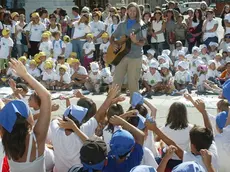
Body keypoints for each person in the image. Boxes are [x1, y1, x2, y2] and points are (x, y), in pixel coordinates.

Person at [0, 58, 51, 172]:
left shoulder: (5, 137)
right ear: (28, 120)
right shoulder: (37, 139)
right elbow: (46, 96)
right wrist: (25, 74)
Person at [111, 2, 145, 99]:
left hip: (135, 57)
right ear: (127, 11)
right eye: (130, 10)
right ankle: (113, 103)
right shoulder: (122, 25)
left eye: (134, 11)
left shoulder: (141, 25)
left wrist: (136, 41)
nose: (132, 12)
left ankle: (135, 106)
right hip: (121, 56)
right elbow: (112, 36)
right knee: (116, 81)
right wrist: (113, 44)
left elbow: (143, 42)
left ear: (137, 12)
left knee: (133, 83)